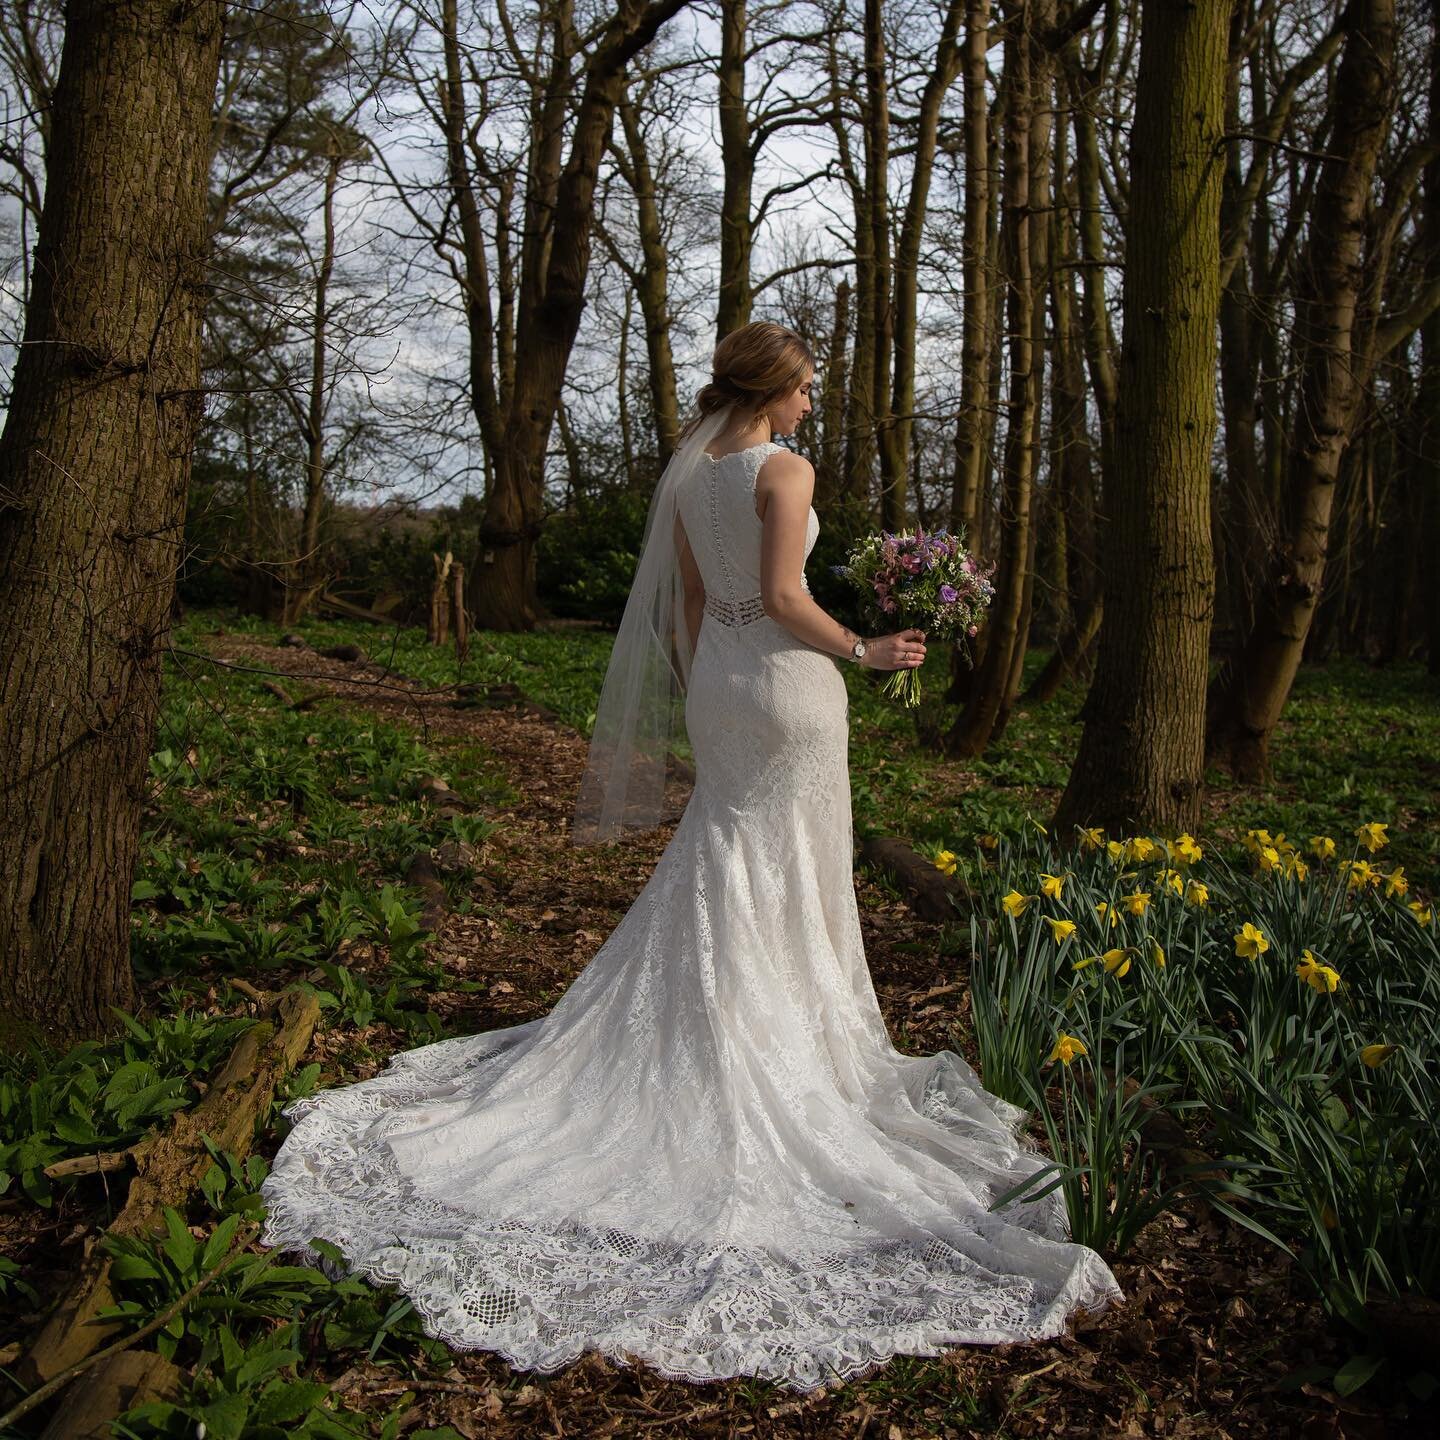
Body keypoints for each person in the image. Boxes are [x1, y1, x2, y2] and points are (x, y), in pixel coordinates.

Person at [259, 321, 1121, 1393]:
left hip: (721, 687)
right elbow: (789, 599)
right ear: (777, 392)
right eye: (808, 387)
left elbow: (698, 612)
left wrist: (715, 684)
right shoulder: (782, 468)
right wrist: (869, 647)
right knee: (787, 867)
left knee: (729, 852)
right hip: (794, 692)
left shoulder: (690, 477)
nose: (815, 403)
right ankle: (779, 1038)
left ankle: (722, 1018)